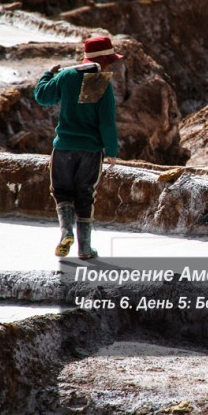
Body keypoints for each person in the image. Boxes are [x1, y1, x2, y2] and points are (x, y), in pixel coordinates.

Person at [34, 35, 124, 259]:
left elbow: (42, 97)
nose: (111, 63)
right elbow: (106, 122)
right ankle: (84, 249)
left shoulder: (66, 76)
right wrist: (111, 151)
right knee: (85, 194)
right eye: (110, 60)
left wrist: (48, 75)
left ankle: (66, 232)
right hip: (90, 151)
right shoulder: (100, 83)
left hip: (63, 147)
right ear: (103, 60)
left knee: (62, 192)